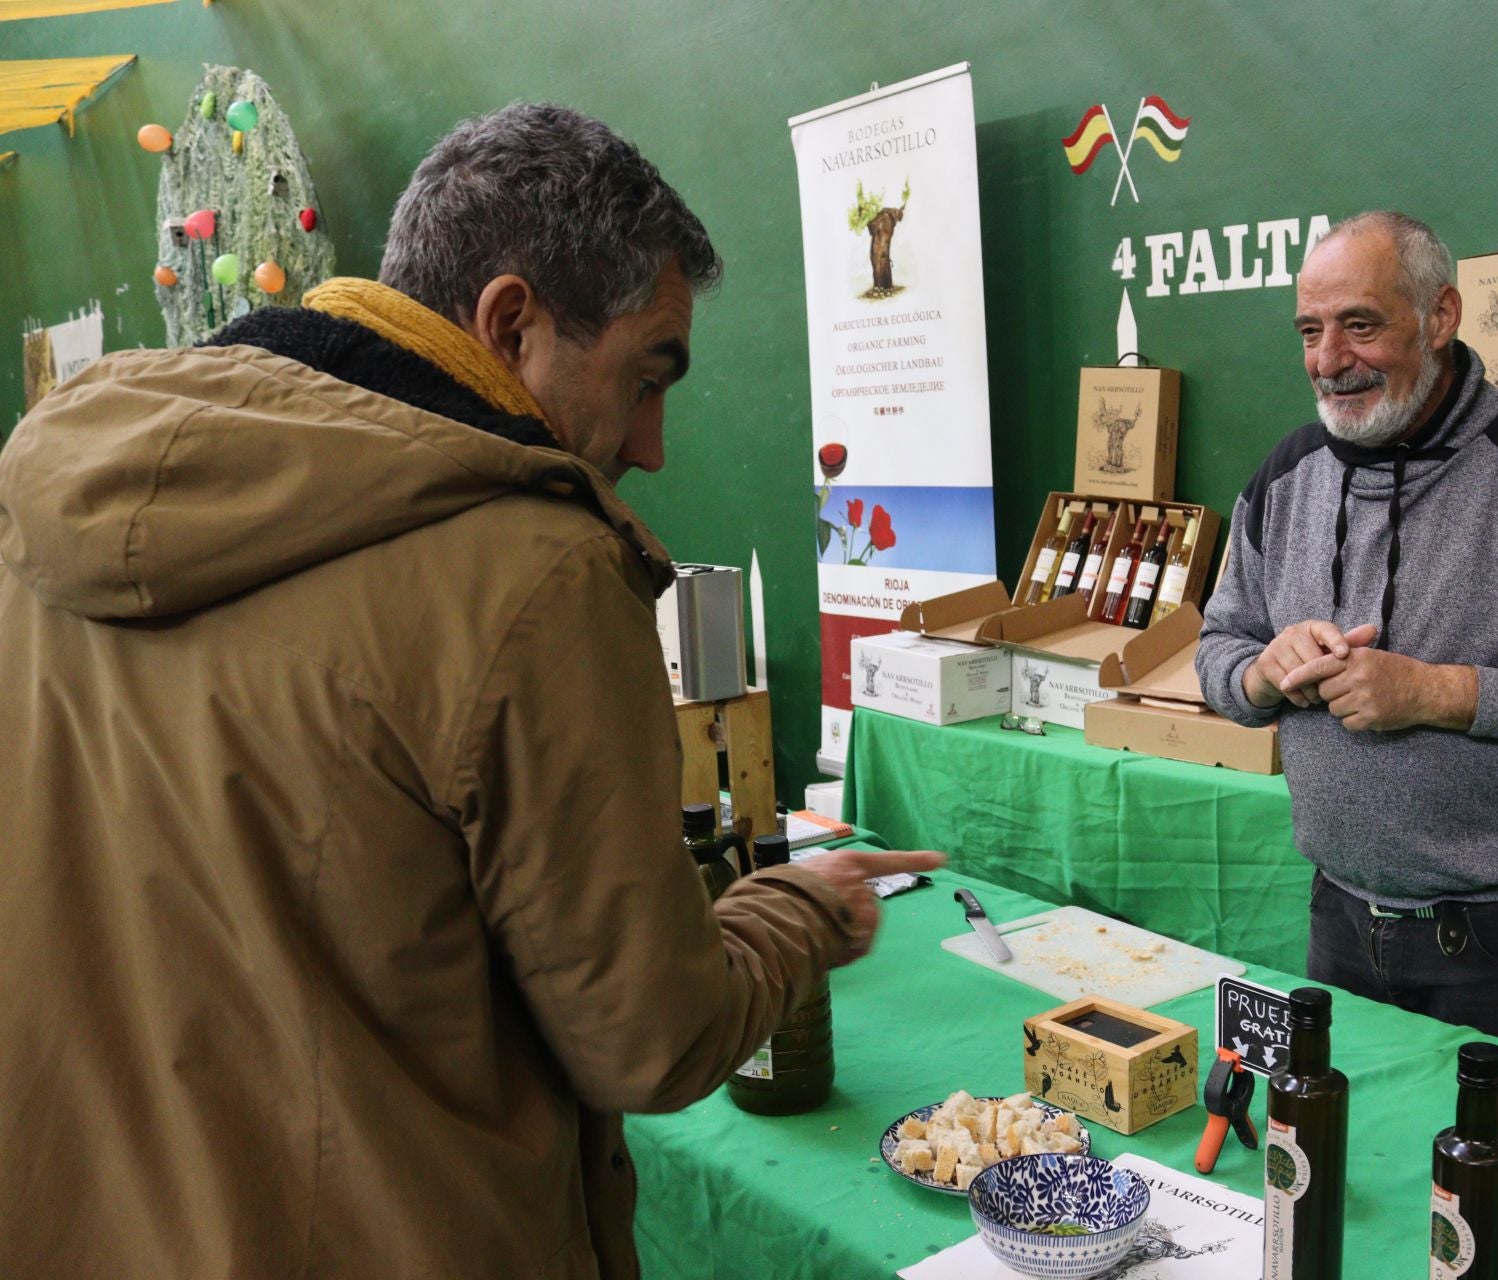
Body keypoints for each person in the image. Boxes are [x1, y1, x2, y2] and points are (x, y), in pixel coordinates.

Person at [0, 104, 941, 1278]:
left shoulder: (48, 506)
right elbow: (646, 1038)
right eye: (648, 375)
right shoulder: (531, 570)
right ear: (510, 323)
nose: (651, 443)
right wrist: (794, 912)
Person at [1197, 211, 1498, 1060]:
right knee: (1348, 1167)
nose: (1328, 360)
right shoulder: (1284, 476)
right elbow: (1218, 648)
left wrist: (1441, 693)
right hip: (1340, 915)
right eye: (1310, 331)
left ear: (1441, 316)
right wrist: (1259, 675)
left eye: (1360, 325)